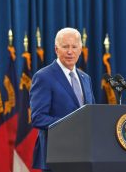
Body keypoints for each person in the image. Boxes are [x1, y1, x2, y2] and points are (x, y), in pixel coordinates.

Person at [30, 27, 95, 171]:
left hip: (84, 155)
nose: (70, 51)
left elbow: (92, 114)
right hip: (56, 156)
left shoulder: (85, 78)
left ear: (80, 49)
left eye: (74, 47)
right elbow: (38, 117)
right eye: (65, 47)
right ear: (56, 49)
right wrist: (71, 126)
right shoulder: (44, 77)